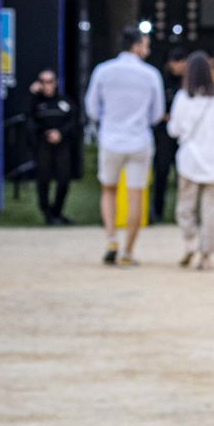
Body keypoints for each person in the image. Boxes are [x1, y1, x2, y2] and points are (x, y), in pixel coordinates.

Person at [84, 26, 164, 266]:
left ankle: (111, 240)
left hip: (111, 139)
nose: (147, 50)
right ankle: (128, 251)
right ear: (136, 46)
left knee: (108, 190)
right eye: (145, 45)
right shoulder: (150, 74)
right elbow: (157, 113)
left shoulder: (103, 71)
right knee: (136, 194)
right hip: (140, 140)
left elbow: (92, 108)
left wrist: (109, 121)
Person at [167, 51, 214, 271]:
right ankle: (206, 255)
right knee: (213, 211)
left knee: (186, 206)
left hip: (190, 161)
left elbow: (173, 129)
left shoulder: (183, 97)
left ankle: (190, 241)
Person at [29, 69, 79, 225]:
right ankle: (47, 213)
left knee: (64, 178)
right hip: (43, 145)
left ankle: (57, 211)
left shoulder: (64, 101)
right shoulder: (36, 103)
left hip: (62, 144)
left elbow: (73, 120)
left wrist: (60, 133)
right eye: (43, 82)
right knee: (43, 179)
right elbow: (29, 119)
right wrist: (33, 95)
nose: (47, 85)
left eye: (50, 81)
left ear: (55, 83)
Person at [151, 45, 188, 223]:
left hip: (183, 134)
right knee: (161, 172)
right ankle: (157, 211)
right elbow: (156, 110)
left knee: (184, 174)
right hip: (164, 134)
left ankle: (185, 212)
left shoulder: (188, 81)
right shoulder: (161, 80)